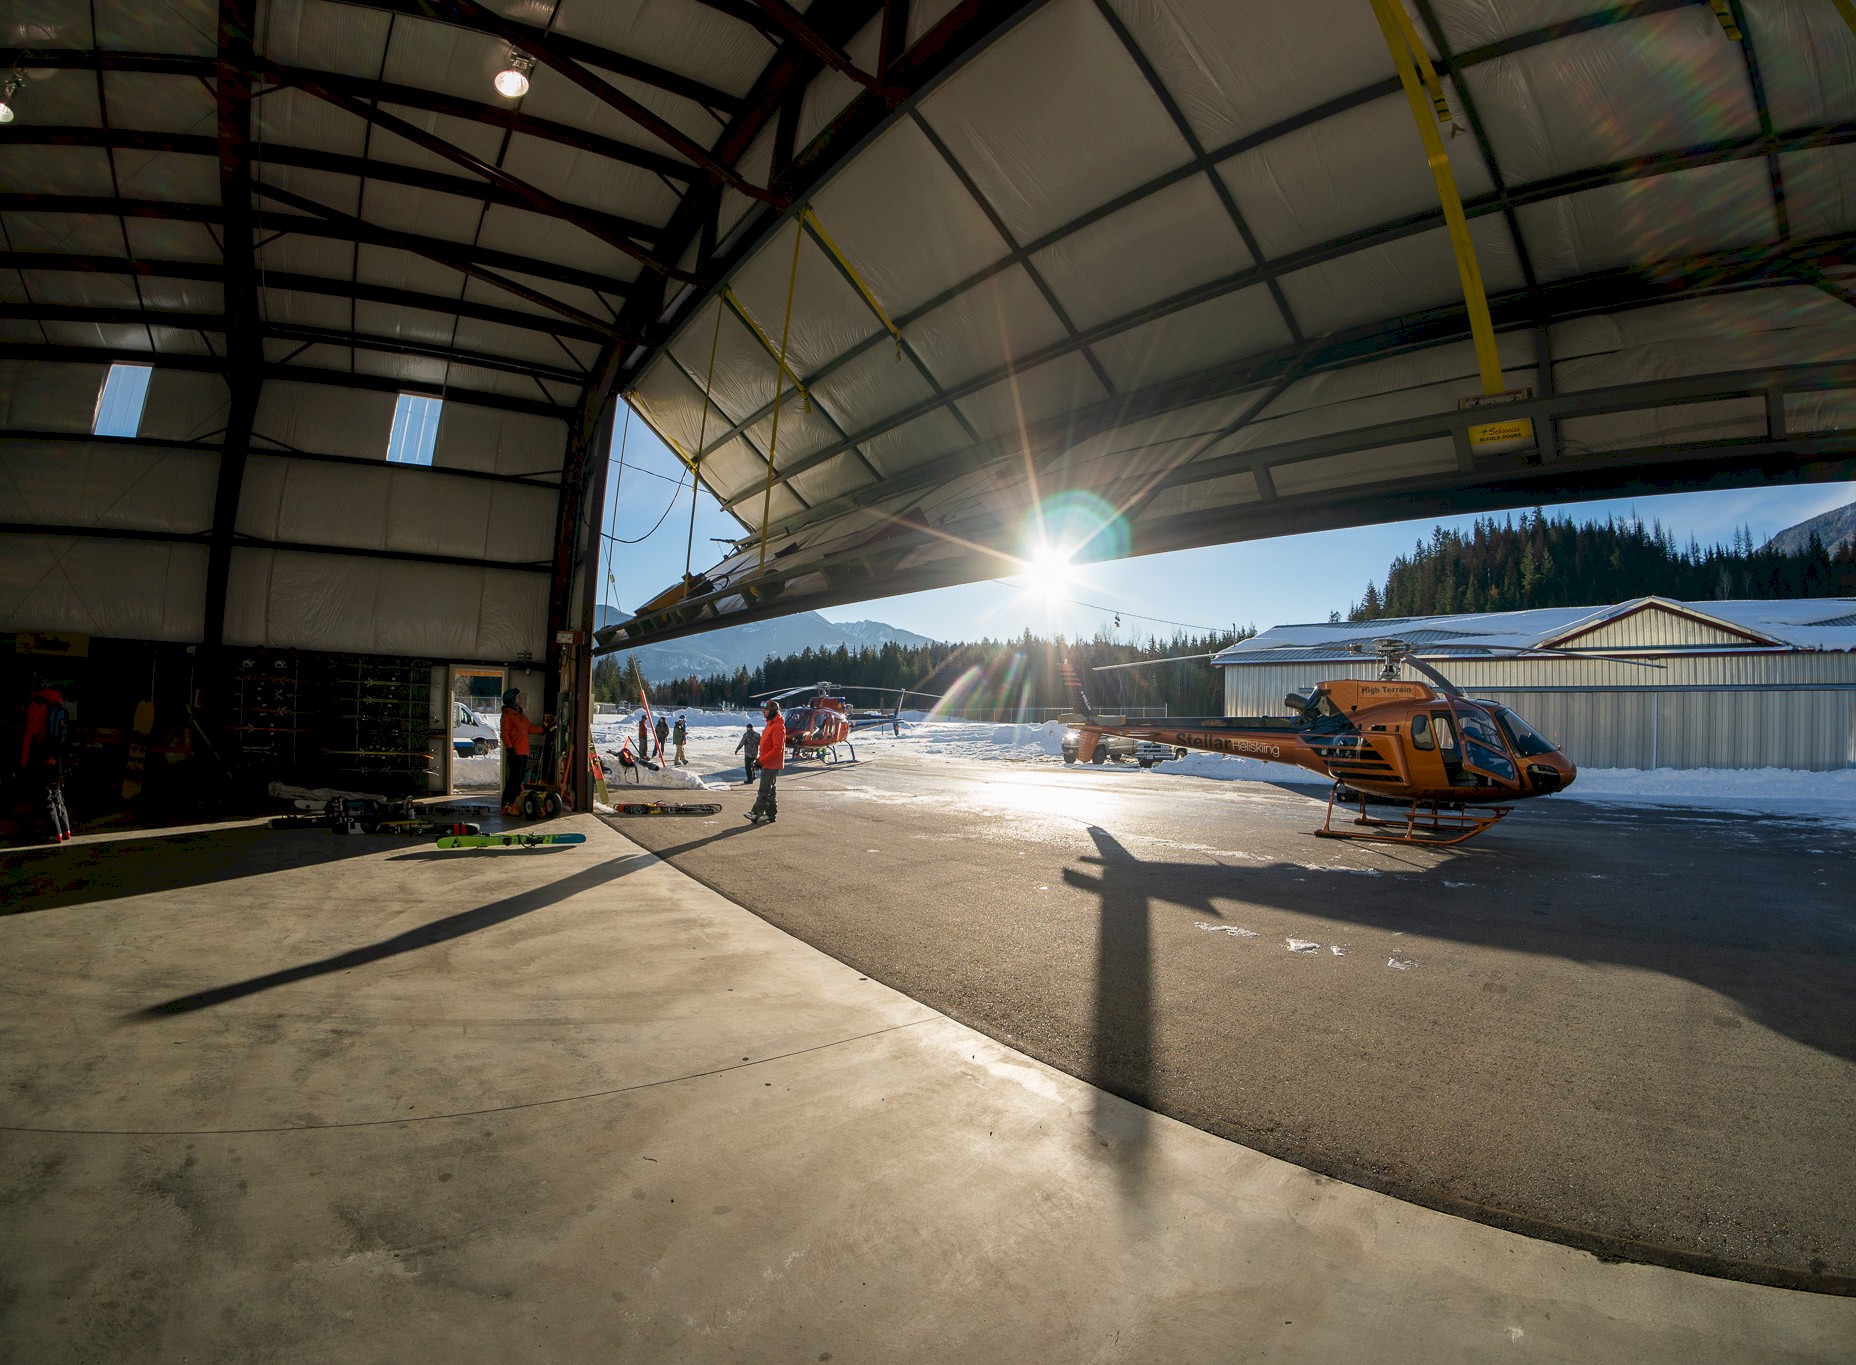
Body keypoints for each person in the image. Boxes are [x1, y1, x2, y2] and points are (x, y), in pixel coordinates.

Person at [19, 682, 72, 844]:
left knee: (44, 794)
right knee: (56, 792)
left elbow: (31, 732)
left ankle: (53, 832)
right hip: (57, 756)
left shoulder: (37, 704)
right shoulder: (56, 703)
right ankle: (65, 829)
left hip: (42, 754)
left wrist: (24, 760)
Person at [499, 688, 549, 816]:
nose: (519, 699)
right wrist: (510, 748)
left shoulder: (520, 715)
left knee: (520, 778)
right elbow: (504, 733)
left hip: (523, 751)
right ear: (511, 700)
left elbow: (529, 728)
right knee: (514, 779)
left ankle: (513, 802)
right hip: (515, 752)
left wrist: (543, 729)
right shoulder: (507, 715)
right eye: (517, 697)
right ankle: (506, 804)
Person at [745, 700, 785, 825]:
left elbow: (777, 749)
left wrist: (762, 761)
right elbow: (767, 745)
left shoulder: (778, 726)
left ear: (772, 711)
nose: (763, 712)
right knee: (770, 791)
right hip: (767, 762)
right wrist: (759, 760)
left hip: (771, 764)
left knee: (764, 790)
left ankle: (756, 812)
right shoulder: (770, 724)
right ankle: (771, 814)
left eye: (766, 710)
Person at [734, 721, 758, 786]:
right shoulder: (757, 734)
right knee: (752, 765)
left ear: (748, 728)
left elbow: (741, 743)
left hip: (748, 754)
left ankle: (749, 780)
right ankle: (753, 776)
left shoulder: (746, 734)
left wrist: (737, 749)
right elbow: (760, 743)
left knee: (748, 767)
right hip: (755, 754)